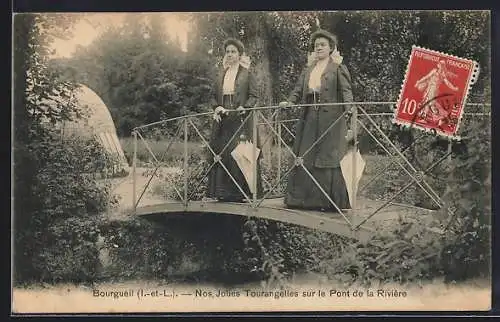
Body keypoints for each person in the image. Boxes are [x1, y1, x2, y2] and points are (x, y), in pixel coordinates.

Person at [279, 29, 353, 212]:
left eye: (323, 45)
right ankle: (303, 200)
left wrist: (350, 109)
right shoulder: (308, 69)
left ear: (330, 48)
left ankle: (329, 202)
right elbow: (298, 90)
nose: (319, 48)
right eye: (316, 45)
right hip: (309, 116)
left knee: (328, 156)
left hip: (331, 118)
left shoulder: (337, 68)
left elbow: (346, 91)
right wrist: (289, 102)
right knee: (307, 154)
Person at [207, 38, 263, 202]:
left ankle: (244, 193)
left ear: (240, 55)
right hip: (224, 119)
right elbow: (212, 96)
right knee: (224, 153)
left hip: (241, 119)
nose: (230, 55)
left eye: (233, 52)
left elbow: (254, 96)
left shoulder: (247, 73)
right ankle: (223, 193)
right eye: (228, 52)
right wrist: (217, 107)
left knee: (240, 153)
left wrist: (245, 107)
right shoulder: (221, 74)